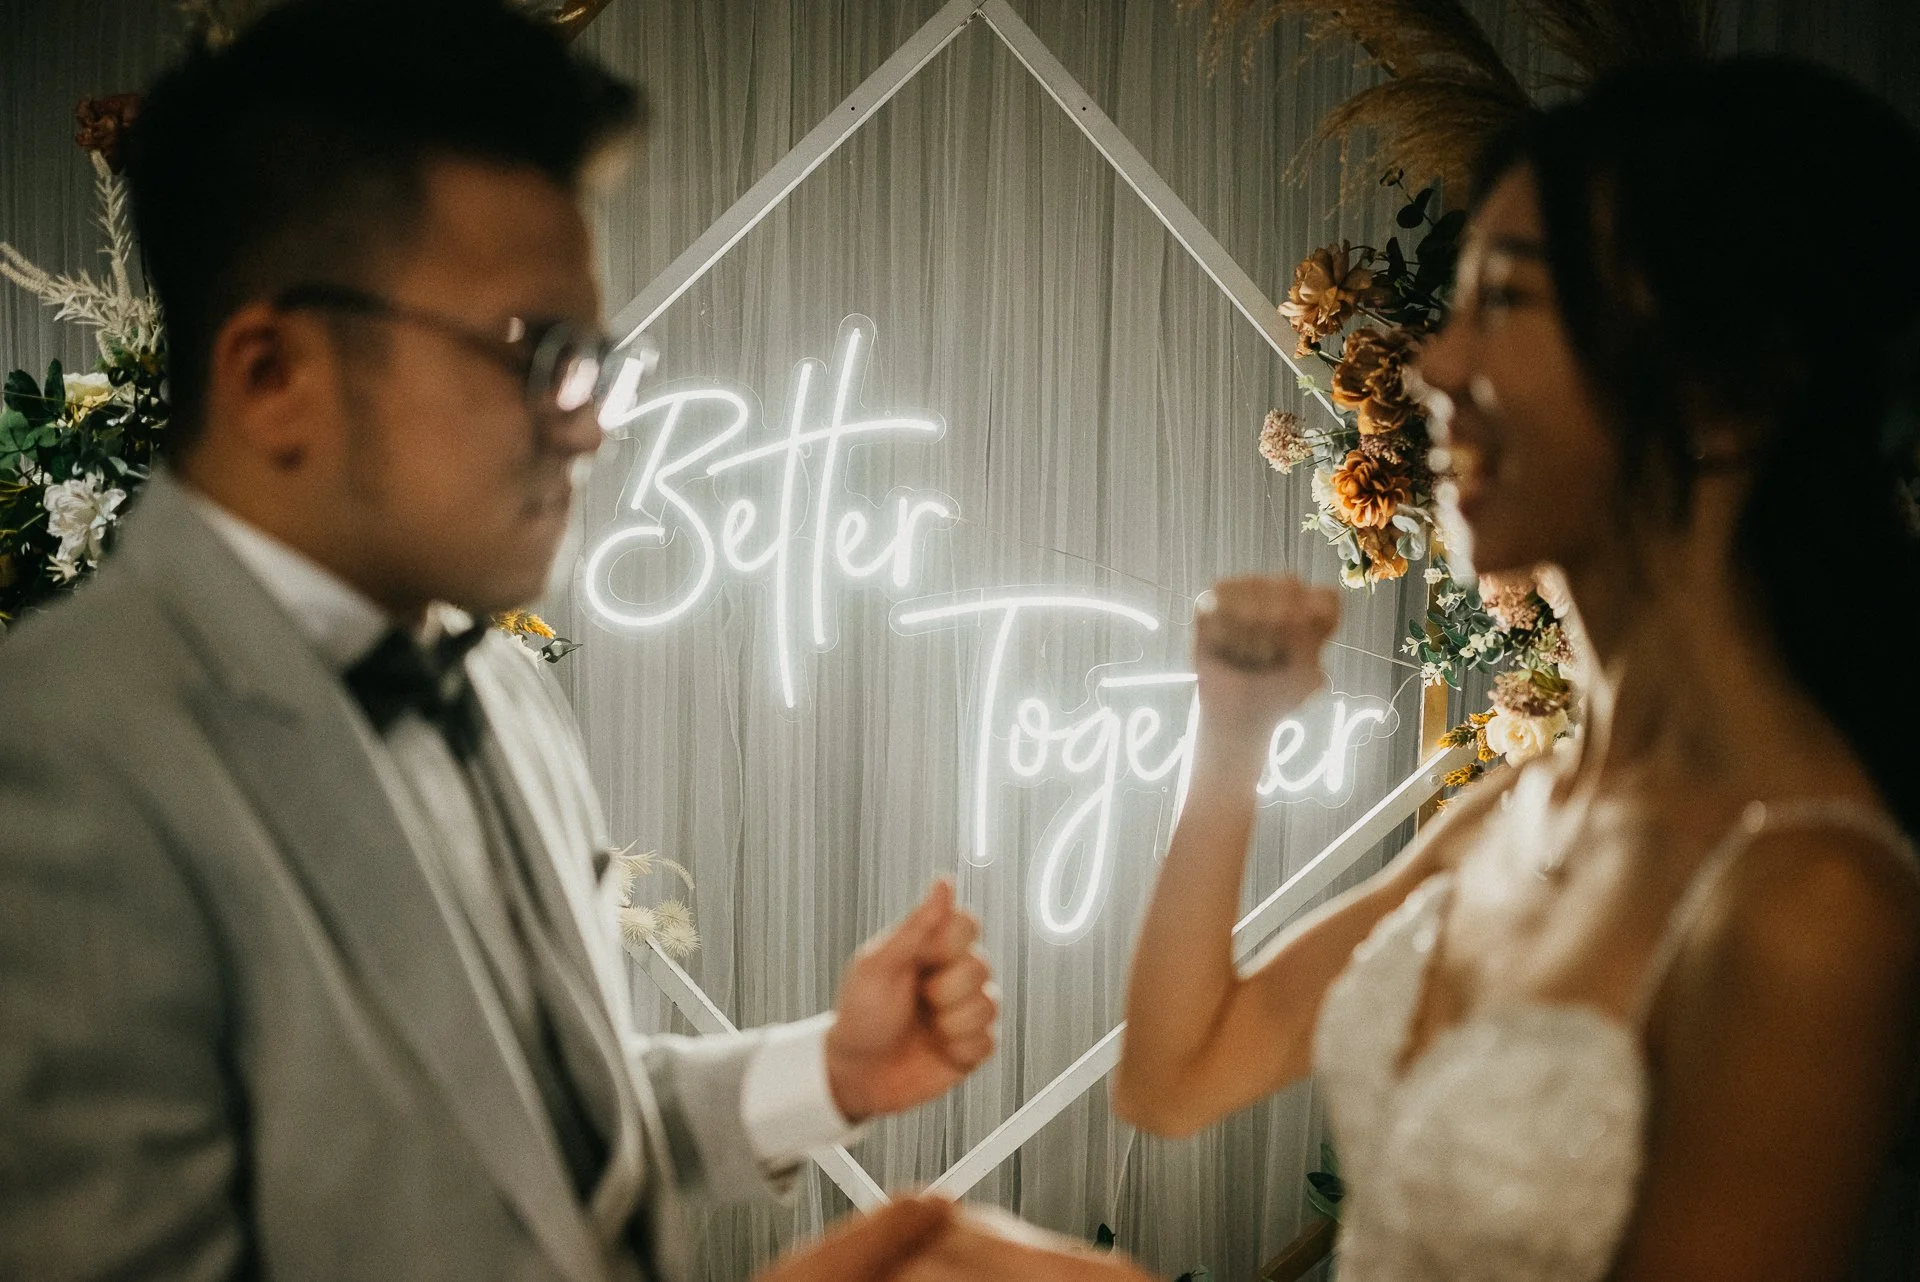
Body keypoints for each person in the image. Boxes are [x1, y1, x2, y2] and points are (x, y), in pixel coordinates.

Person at [0, 4, 1153, 1280]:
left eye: (596, 360)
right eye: (536, 353)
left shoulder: (498, 682)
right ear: (274, 374)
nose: (593, 425)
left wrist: (829, 1069)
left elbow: (542, 1135)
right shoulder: (57, 773)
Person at [1116, 58, 1920, 1281]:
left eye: (1506, 298)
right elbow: (1175, 1074)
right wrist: (1230, 735)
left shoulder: (1811, 901)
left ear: (1720, 386)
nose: (1434, 365)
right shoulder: (1517, 808)